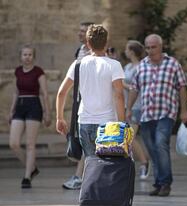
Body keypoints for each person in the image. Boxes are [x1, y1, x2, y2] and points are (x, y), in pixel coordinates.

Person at [126, 34, 187, 197]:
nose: (150, 50)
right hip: (146, 115)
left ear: (161, 47)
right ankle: (159, 182)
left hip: (166, 113)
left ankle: (166, 183)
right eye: (147, 47)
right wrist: (128, 109)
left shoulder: (173, 64)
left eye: (153, 47)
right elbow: (134, 88)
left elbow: (182, 87)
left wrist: (184, 110)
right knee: (153, 149)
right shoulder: (142, 66)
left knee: (161, 144)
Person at [56, 24, 125, 160]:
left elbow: (61, 93)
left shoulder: (78, 65)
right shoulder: (114, 65)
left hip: (85, 122)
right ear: (106, 43)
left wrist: (59, 118)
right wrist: (122, 123)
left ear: (88, 43)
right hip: (108, 122)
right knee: (107, 165)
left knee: (91, 163)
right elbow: (119, 96)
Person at [8, 45, 51, 188]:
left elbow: (44, 93)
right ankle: (32, 167)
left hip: (34, 105)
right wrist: (11, 110)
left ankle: (27, 177)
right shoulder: (18, 71)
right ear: (21, 56)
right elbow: (15, 91)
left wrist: (47, 113)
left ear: (34, 56)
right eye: (25, 54)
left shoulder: (39, 72)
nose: (27, 57)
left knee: (30, 144)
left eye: (30, 54)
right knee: (14, 143)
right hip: (20, 105)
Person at [62, 21, 94, 190]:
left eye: (83, 31)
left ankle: (79, 176)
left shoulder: (96, 53)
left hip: (91, 101)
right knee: (78, 137)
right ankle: (81, 175)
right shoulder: (79, 51)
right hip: (79, 99)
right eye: (79, 30)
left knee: (85, 138)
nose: (79, 34)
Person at [123, 40, 151, 180]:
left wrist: (125, 85)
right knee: (128, 137)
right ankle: (143, 160)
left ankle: (144, 162)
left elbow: (138, 87)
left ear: (132, 51)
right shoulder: (127, 66)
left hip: (137, 106)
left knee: (130, 137)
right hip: (127, 106)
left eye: (127, 49)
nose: (125, 51)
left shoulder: (140, 67)